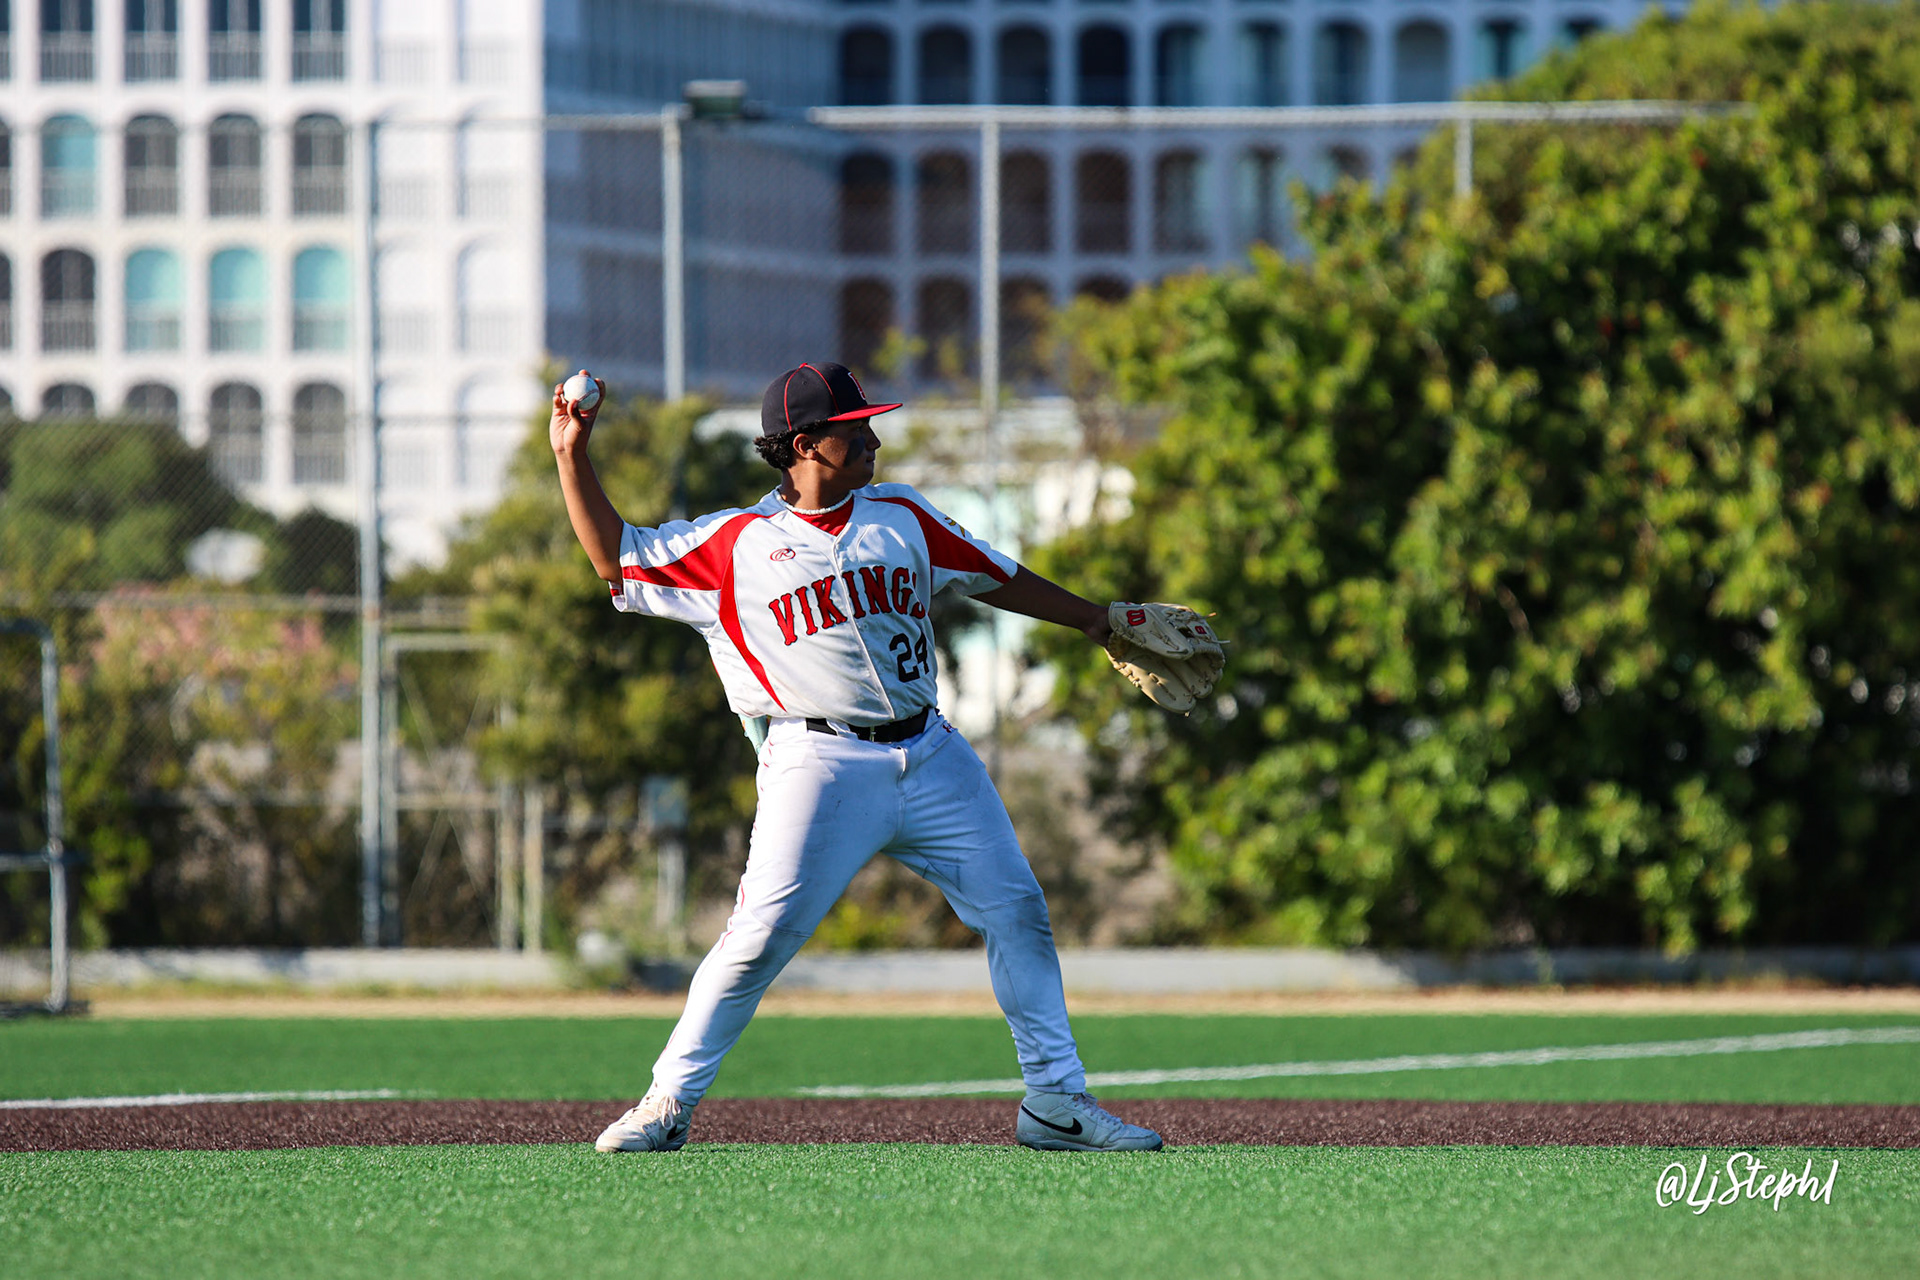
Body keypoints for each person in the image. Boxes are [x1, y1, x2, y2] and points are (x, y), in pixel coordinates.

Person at [552, 361, 1164, 1154]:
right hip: (818, 762)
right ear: (805, 444)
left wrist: (1096, 621)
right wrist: (571, 454)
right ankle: (666, 1103)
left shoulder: (901, 515)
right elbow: (616, 558)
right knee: (758, 937)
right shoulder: (733, 545)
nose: (872, 438)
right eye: (854, 430)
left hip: (933, 753)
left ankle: (1056, 1101)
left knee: (1017, 909)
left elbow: (993, 574)